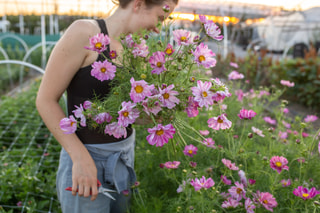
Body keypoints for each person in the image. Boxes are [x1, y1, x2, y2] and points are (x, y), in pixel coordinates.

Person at [35, 0, 178, 212]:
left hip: (123, 157)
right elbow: (45, 100)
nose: (158, 27)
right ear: (138, 4)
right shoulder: (85, 32)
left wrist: (150, 114)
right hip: (87, 158)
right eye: (160, 17)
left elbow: (118, 111)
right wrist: (80, 159)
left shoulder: (134, 49)